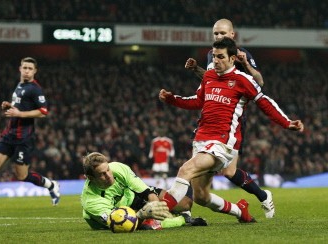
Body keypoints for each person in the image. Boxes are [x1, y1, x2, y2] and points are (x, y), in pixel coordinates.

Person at [159, 37, 304, 222]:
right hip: (201, 138)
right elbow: (197, 101)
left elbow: (264, 102)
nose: (215, 61)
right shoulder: (209, 76)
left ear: (232, 59)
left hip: (222, 142)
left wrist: (287, 122)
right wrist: (173, 99)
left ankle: (156, 216)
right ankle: (239, 211)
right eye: (213, 56)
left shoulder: (243, 80)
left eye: (220, 57)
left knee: (185, 170)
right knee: (201, 197)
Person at [184, 18, 274, 218]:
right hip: (212, 114)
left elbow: (259, 82)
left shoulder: (242, 54)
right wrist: (196, 70)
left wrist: (245, 64)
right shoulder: (212, 54)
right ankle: (186, 210)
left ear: (232, 35)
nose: (219, 37)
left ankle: (261, 196)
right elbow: (211, 79)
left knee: (229, 172)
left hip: (232, 119)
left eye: (223, 33)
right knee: (196, 167)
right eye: (216, 34)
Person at [81, 152, 255, 231]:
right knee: (143, 225)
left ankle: (182, 215)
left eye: (108, 170)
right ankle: (182, 220)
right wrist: (143, 215)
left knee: (186, 203)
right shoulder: (92, 201)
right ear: (90, 178)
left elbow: (145, 191)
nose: (108, 175)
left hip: (133, 198)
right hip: (116, 215)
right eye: (102, 174)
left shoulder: (117, 168)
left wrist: (156, 205)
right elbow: (119, 222)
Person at [0, 57, 60, 205]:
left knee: (22, 176)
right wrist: (9, 106)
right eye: (25, 68)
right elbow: (21, 105)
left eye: (30, 69)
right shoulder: (20, 85)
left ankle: (51, 185)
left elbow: (43, 112)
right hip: (9, 133)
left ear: (35, 71)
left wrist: (19, 114)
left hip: (23, 138)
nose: (27, 71)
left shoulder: (35, 89)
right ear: (20, 69)